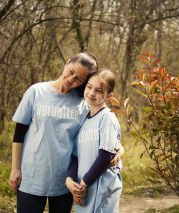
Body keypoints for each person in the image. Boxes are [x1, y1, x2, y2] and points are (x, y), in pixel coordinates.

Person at [8, 53, 101, 213]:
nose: (71, 79)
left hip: (65, 181)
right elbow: (18, 135)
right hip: (31, 176)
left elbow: (98, 130)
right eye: (71, 71)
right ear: (67, 63)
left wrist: (119, 150)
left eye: (78, 79)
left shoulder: (83, 104)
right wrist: (15, 168)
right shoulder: (36, 91)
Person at [66, 69, 123, 212]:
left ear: (108, 96)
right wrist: (71, 180)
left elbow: (105, 156)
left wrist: (84, 184)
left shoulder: (107, 117)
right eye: (89, 87)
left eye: (98, 90)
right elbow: (76, 156)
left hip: (102, 190)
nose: (91, 93)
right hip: (84, 190)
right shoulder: (84, 119)